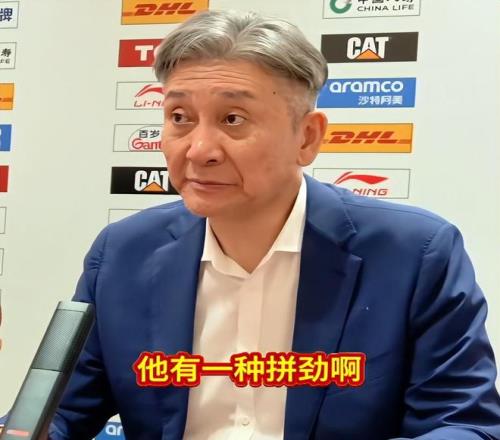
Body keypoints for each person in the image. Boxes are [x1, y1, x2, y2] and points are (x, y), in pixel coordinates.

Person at [2, 9, 500, 439]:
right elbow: (63, 413)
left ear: (307, 137)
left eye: (233, 119)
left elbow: (462, 424)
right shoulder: (123, 252)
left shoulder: (415, 254)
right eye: (180, 117)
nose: (199, 149)